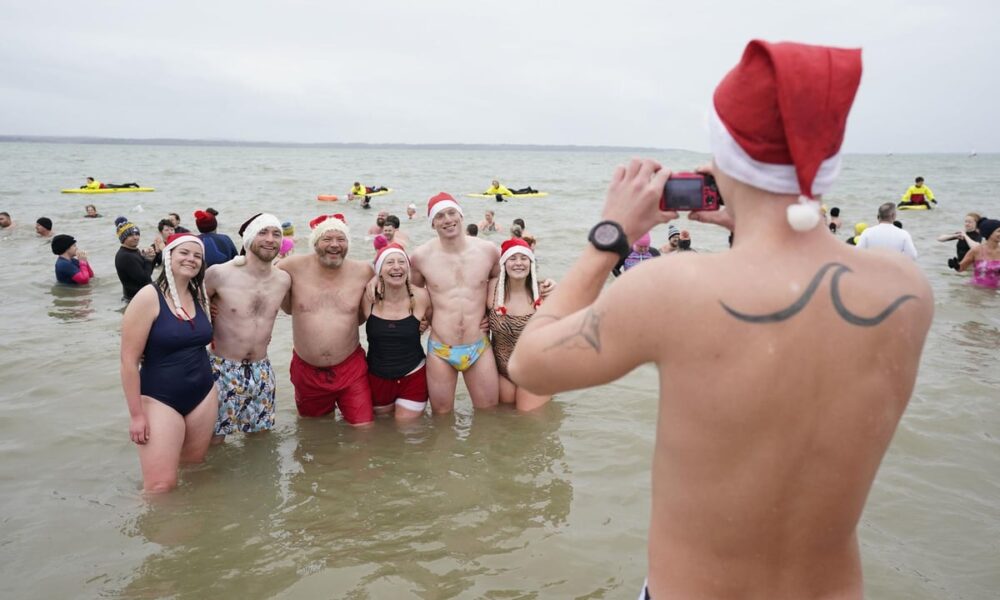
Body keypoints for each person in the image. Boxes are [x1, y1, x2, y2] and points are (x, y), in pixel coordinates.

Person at [507, 41, 933, 599]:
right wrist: (755, 218)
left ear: (724, 161)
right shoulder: (906, 292)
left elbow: (529, 365)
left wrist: (611, 233)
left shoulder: (671, 287)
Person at [120, 232, 218, 493]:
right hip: (159, 399)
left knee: (194, 469)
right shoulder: (148, 297)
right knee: (159, 487)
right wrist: (136, 416)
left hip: (203, 394)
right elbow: (128, 362)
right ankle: (149, 532)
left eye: (197, 256)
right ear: (169, 256)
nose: (191, 259)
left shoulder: (200, 296)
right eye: (184, 253)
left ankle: (197, 529)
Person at [408, 193, 502, 413]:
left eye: (451, 213)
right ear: (433, 223)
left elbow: (500, 279)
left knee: (488, 413)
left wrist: (493, 310)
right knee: (441, 417)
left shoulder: (488, 250)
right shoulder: (421, 256)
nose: (447, 219)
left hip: (478, 345)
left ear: (460, 215)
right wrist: (423, 319)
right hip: (441, 348)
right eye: (439, 216)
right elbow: (413, 292)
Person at [277, 214, 375, 426]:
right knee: (314, 432)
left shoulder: (364, 271)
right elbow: (259, 282)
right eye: (327, 239)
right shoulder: (291, 266)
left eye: (341, 240)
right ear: (315, 242)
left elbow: (384, 302)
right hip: (307, 370)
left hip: (351, 368)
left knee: (364, 428)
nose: (334, 245)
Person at [205, 213, 291, 443]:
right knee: (213, 441)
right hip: (221, 369)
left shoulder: (283, 280)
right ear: (249, 238)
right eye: (263, 232)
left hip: (261, 370)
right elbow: (186, 306)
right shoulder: (219, 274)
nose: (270, 239)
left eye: (276, 234)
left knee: (261, 441)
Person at [362, 243, 432, 419]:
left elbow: (438, 321)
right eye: (389, 262)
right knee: (383, 432)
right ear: (379, 270)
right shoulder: (368, 297)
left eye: (402, 262)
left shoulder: (422, 296)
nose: (396, 267)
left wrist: (424, 326)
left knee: (406, 429)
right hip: (377, 376)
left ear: (408, 268)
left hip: (413, 374)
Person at [487, 238, 551, 411]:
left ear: (531, 263)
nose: (518, 263)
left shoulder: (543, 292)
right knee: (503, 418)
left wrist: (558, 290)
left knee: (528, 419)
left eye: (523, 258)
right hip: (502, 371)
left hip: (534, 371)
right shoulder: (492, 289)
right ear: (504, 263)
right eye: (512, 258)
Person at [114, 216, 154, 302]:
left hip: (137, 296)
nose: (135, 237)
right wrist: (148, 260)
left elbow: (145, 272)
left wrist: (145, 257)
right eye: (130, 235)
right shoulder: (126, 256)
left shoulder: (131, 251)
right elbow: (145, 279)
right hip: (136, 299)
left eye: (137, 234)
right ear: (123, 238)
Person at [957, 218, 1000, 289]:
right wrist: (955, 265)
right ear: (989, 233)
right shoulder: (976, 250)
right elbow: (961, 269)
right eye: (999, 231)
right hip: (976, 291)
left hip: (995, 293)